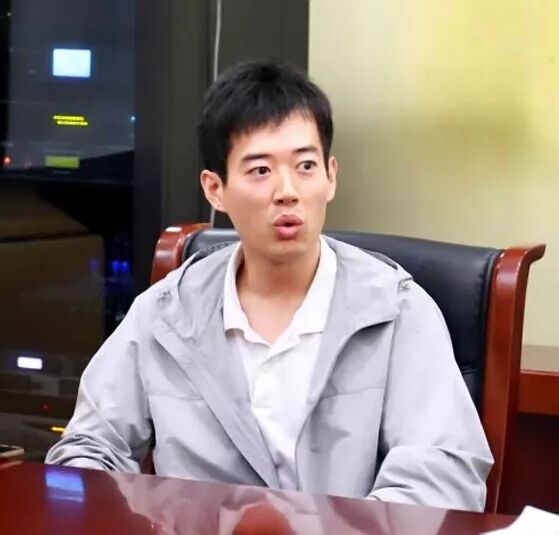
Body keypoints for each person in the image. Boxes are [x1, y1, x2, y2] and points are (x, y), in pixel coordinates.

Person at [46, 60, 493, 512]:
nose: (287, 191)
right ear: (215, 189)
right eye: (260, 170)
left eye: (305, 166)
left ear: (331, 176)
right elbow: (87, 448)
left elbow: (442, 476)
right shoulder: (166, 313)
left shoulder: (397, 310)